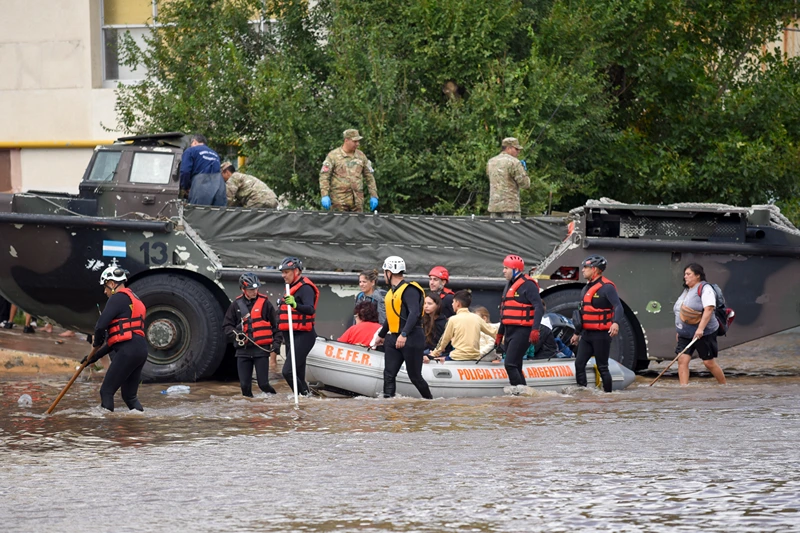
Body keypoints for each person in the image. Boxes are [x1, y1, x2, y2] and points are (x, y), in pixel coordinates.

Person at [82, 265, 148, 411]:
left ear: (112, 284)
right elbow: (118, 339)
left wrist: (96, 344)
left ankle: (107, 429)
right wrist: (94, 357)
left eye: (105, 287)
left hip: (128, 351)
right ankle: (138, 426)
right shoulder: (134, 299)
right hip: (141, 351)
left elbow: (100, 327)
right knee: (129, 397)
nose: (104, 291)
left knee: (106, 391)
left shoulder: (117, 298)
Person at [373, 256, 433, 399]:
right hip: (393, 338)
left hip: (411, 338)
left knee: (415, 377)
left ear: (390, 272)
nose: (384, 275)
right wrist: (381, 335)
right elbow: (391, 318)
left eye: (384, 271)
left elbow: (414, 313)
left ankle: (430, 403)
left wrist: (404, 334)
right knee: (388, 374)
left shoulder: (410, 290)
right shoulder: (391, 293)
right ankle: (389, 406)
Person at [569, 255, 624, 393]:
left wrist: (615, 323)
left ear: (595, 269)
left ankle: (608, 395)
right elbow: (582, 313)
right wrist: (577, 333)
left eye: (586, 268)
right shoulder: (587, 288)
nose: (582, 270)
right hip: (587, 334)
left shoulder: (607, 287)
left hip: (601, 335)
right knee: (579, 363)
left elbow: (618, 306)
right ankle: (583, 393)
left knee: (602, 367)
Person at [223, 273, 282, 397]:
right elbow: (227, 326)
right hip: (243, 352)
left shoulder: (265, 304)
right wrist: (236, 334)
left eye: (256, 288)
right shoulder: (235, 305)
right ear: (243, 289)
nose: (255, 291)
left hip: (260, 351)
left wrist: (276, 344)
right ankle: (249, 412)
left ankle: (275, 402)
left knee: (263, 384)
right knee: (245, 387)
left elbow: (276, 326)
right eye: (251, 289)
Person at [674, 263, 727, 385]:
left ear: (697, 275)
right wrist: (680, 330)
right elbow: (680, 311)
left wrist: (700, 329)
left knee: (708, 362)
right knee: (682, 359)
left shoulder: (705, 289)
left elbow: (709, 309)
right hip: (685, 333)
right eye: (685, 274)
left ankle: (724, 385)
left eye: (688, 274)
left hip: (704, 332)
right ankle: (684, 389)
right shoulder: (687, 290)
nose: (685, 277)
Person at [496, 254, 544, 387]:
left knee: (510, 364)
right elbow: (505, 313)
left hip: (523, 331)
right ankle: (523, 395)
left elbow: (539, 307)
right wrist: (500, 334)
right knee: (516, 364)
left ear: (515, 269)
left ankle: (518, 393)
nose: (503, 271)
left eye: (506, 268)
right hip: (510, 330)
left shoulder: (528, 285)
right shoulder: (509, 285)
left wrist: (535, 329)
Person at [277, 256, 319, 396]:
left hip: (304, 336)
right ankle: (305, 401)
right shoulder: (290, 287)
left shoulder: (305, 288)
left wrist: (295, 305)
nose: (283, 275)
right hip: (290, 336)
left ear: (296, 271)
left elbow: (310, 308)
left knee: (287, 371)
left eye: (286, 272)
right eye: (282, 272)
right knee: (298, 375)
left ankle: (303, 397)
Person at [319, 129, 379, 212]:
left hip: (357, 202)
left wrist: (374, 196)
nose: (357, 144)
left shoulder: (361, 156)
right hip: (339, 202)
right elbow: (324, 176)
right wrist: (324, 195)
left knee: (357, 224)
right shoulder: (333, 156)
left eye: (358, 141)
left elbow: (369, 177)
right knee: (339, 224)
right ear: (346, 140)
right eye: (355, 141)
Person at [430, 290, 497, 361]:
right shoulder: (477, 318)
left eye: (453, 302)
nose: (452, 304)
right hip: (475, 358)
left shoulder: (453, 320)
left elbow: (444, 340)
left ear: (458, 304)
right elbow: (494, 333)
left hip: (457, 357)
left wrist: (434, 353)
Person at [486, 137, 531, 219]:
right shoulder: (514, 162)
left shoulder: (491, 162)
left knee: (495, 231)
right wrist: (524, 171)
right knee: (512, 231)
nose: (518, 151)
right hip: (510, 208)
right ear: (509, 148)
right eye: (516, 149)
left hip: (494, 207)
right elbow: (525, 184)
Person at [179, 134, 226, 206]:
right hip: (219, 187)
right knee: (217, 214)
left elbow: (185, 171)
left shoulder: (190, 151)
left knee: (197, 213)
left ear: (194, 142)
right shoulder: (215, 154)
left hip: (201, 187)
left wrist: (186, 187)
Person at [422, 291, 447, 362]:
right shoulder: (421, 320)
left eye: (429, 304)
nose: (426, 306)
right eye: (424, 303)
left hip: (438, 352)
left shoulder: (443, 322)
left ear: (438, 305)